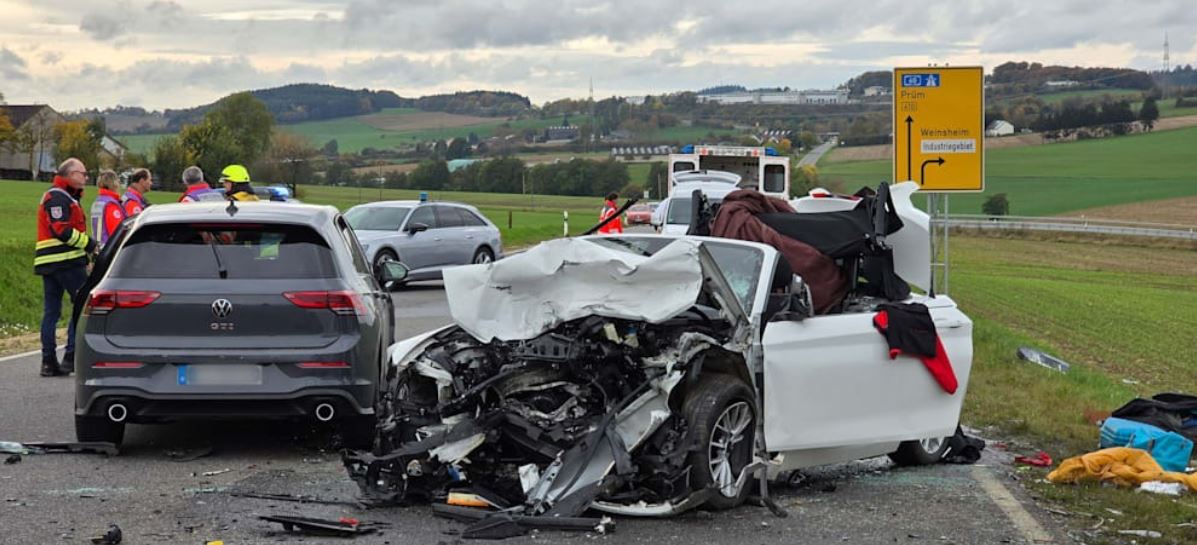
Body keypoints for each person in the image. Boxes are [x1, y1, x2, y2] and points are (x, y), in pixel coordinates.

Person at [35, 158, 96, 377]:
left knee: (51, 312)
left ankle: (49, 362)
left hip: (53, 263)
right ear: (70, 174)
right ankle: (70, 357)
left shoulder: (64, 196)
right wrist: (91, 245)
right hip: (65, 262)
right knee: (80, 309)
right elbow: (62, 230)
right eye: (83, 173)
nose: (86, 177)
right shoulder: (58, 197)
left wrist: (85, 256)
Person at [90, 169, 126, 248]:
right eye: (118, 181)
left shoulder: (98, 201)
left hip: (98, 247)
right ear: (114, 183)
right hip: (110, 249)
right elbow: (117, 233)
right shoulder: (110, 204)